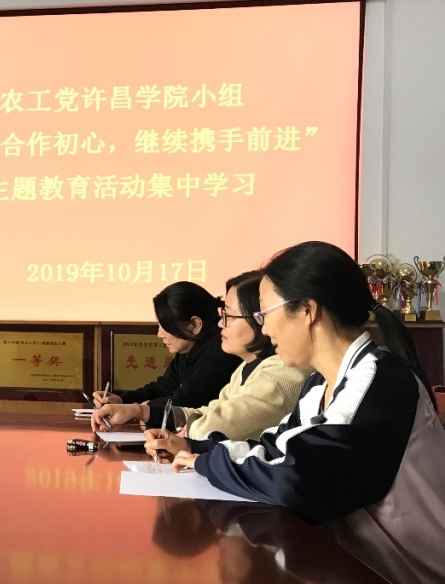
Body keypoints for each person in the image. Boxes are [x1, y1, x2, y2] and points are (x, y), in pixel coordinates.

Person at [146, 241, 445, 584]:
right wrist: (195, 448)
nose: (264, 329)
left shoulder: (377, 381)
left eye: (264, 314)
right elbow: (276, 448)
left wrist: (207, 463)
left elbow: (296, 481)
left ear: (306, 310)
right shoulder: (320, 384)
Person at [92, 271, 310, 440]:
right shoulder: (246, 367)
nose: (221, 323)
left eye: (229, 316)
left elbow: (213, 426)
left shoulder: (280, 373)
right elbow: (208, 412)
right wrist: (137, 410)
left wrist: (145, 414)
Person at [92, 281, 242, 429]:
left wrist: (140, 409)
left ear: (195, 325)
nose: (159, 334)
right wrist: (122, 400)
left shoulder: (220, 354)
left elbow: (183, 402)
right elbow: (163, 387)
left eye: (164, 325)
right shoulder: (189, 348)